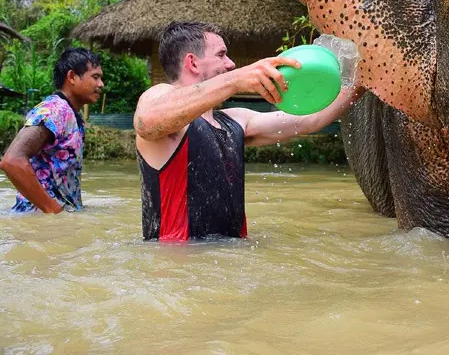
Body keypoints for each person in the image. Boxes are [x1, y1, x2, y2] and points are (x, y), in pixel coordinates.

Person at [133, 21, 365, 242]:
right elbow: (147, 122)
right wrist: (237, 80)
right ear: (192, 63)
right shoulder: (158, 97)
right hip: (177, 272)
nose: (231, 64)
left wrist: (362, 81)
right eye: (221, 55)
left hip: (229, 263)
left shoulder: (236, 120)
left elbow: (309, 120)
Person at [0, 47, 104, 213]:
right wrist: (53, 210)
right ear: (72, 77)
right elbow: (11, 161)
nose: (101, 84)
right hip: (39, 222)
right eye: (95, 77)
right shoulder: (54, 111)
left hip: (56, 221)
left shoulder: (71, 115)